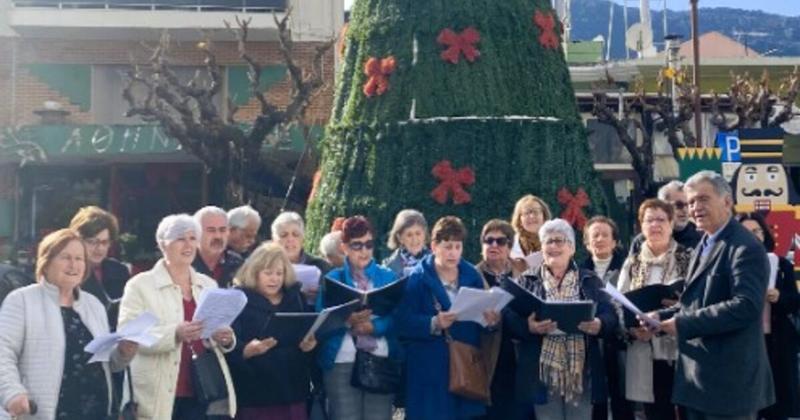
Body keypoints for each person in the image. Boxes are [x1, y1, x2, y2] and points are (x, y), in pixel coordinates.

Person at [653, 170, 774, 420]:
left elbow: (746, 306)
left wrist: (682, 324)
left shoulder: (745, 247)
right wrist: (659, 318)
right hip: (699, 383)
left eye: (703, 199)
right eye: (690, 202)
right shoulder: (705, 244)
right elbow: (695, 302)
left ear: (727, 201)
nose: (695, 208)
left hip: (729, 387)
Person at [0, 229, 137, 419]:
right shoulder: (21, 301)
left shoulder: (94, 305)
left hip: (97, 413)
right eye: (65, 257)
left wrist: (123, 353)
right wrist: (13, 393)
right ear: (46, 262)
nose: (74, 265)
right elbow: (3, 353)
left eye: (79, 258)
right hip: (45, 413)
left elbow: (105, 362)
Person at [118, 214, 238, 419]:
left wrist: (226, 338)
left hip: (201, 388)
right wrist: (175, 333)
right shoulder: (140, 285)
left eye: (193, 238)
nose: (188, 245)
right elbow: (129, 334)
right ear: (162, 244)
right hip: (155, 390)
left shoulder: (208, 284)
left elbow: (219, 327)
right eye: (180, 238)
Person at [505, 219, 618, 420]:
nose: (554, 246)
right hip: (542, 373)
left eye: (560, 241)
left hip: (581, 372)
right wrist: (528, 327)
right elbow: (509, 319)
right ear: (542, 248)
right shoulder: (527, 280)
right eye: (548, 242)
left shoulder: (589, 280)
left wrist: (600, 324)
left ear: (572, 248)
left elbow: (610, 314)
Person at [396, 216, 500, 420]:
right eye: (447, 246)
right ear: (434, 246)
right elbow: (402, 322)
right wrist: (433, 323)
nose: (453, 253)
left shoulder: (471, 275)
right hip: (430, 372)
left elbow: (480, 320)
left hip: (465, 367)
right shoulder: (417, 278)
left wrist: (490, 322)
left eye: (458, 247)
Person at [316, 216, 400, 420]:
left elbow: (399, 317)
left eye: (369, 244)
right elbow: (320, 323)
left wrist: (375, 327)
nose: (364, 251)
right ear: (344, 247)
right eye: (357, 245)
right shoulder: (332, 279)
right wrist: (347, 321)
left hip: (380, 357)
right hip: (341, 359)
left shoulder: (388, 276)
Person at [618, 199, 691, 420]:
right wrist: (631, 329)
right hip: (644, 347)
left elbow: (701, 301)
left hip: (681, 349)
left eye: (661, 219)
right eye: (649, 220)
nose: (655, 225)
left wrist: (678, 305)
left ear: (671, 224)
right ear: (641, 225)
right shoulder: (632, 263)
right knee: (656, 412)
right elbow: (618, 302)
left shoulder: (689, 257)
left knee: (688, 411)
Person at [227, 242, 317, 420]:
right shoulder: (238, 299)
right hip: (255, 393)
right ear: (254, 273)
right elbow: (228, 346)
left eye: (279, 273)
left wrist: (310, 346)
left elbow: (306, 337)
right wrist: (246, 350)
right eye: (268, 273)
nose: (274, 279)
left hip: (293, 390)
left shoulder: (296, 297)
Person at [737, 212, 800, 420]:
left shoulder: (781, 265)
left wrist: (779, 297)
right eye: (746, 232)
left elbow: (794, 301)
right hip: (744, 344)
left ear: (765, 234)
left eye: (757, 231)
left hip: (776, 341)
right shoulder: (730, 265)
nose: (754, 236)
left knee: (778, 402)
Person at [580, 216, 633, 420]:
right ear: (586, 243)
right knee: (596, 398)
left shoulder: (628, 267)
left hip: (622, 340)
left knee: (622, 396)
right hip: (591, 342)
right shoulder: (579, 271)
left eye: (605, 235)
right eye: (595, 236)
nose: (600, 239)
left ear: (614, 241)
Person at [475, 219, 519, 419]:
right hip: (485, 357)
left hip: (519, 356)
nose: (493, 245)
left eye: (500, 241)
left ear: (509, 246)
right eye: (488, 240)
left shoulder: (525, 275)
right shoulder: (471, 275)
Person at [69, 206, 131, 330]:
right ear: (77, 240)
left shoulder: (119, 270)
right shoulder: (67, 271)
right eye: (92, 242)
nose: (100, 248)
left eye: (104, 242)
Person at [272, 212, 331, 303]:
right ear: (274, 239)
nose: (290, 239)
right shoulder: (264, 266)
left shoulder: (322, 266)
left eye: (295, 234)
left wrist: (321, 295)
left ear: (303, 238)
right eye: (284, 235)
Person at [630, 181, 703, 255]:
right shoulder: (642, 241)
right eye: (678, 205)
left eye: (688, 204)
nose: (685, 210)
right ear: (663, 207)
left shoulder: (701, 238)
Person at [192, 206, 244, 289]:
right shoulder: (184, 264)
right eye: (211, 230)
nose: (218, 236)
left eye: (222, 230)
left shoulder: (237, 264)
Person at [510, 195, 552, 273]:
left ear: (544, 216)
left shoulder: (556, 240)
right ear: (519, 219)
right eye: (527, 213)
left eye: (536, 212)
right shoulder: (510, 244)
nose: (532, 216)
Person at [382, 209, 430, 277]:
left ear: (424, 234)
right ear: (400, 238)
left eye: (418, 233)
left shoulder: (438, 262)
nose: (414, 239)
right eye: (409, 235)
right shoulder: (388, 268)